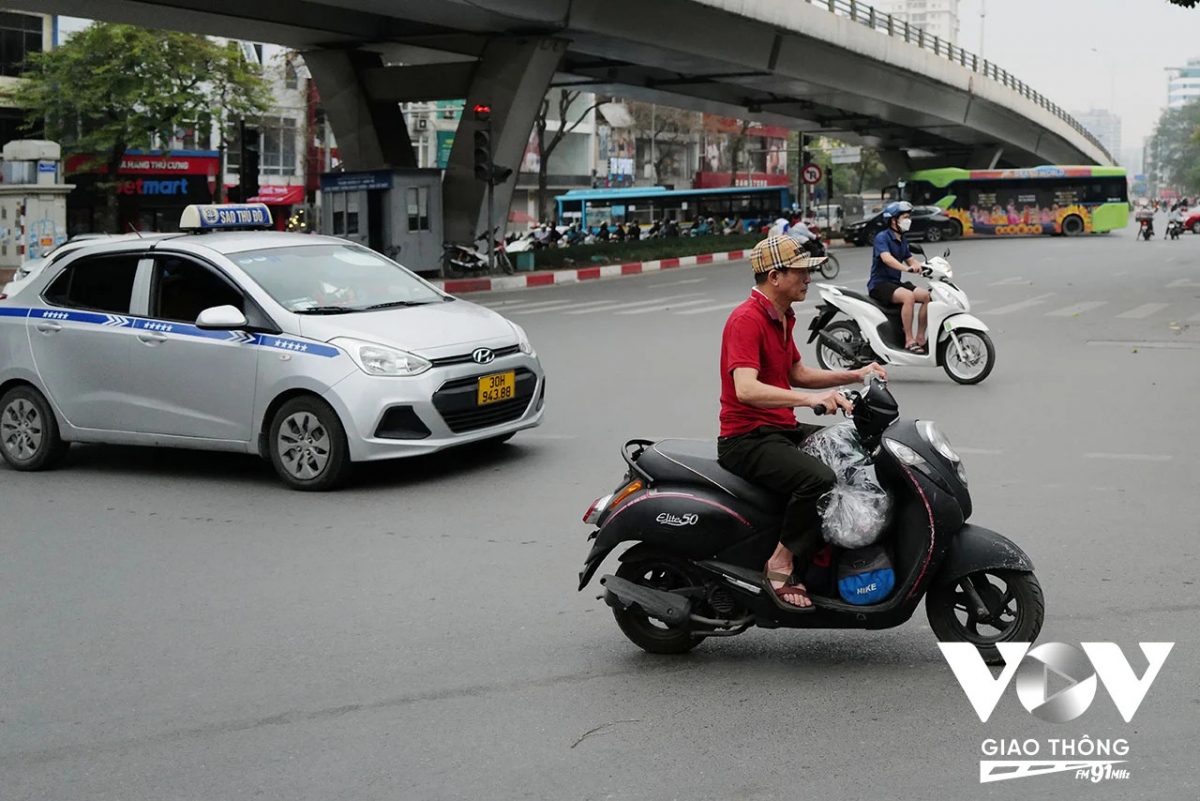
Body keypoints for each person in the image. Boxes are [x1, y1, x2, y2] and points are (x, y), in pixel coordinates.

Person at [718, 236, 886, 609]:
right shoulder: (747, 319)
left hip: (778, 428)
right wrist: (811, 401)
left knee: (849, 451)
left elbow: (797, 372)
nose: (809, 278)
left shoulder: (781, 317)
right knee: (818, 479)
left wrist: (856, 375)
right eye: (802, 272)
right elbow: (745, 388)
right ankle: (780, 562)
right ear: (775, 276)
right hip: (748, 438)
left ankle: (825, 556)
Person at [867, 201, 930, 354]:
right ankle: (909, 340)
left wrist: (924, 266)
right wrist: (906, 268)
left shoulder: (902, 239)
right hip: (879, 284)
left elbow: (910, 259)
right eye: (905, 217)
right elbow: (887, 258)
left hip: (895, 283)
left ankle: (920, 337)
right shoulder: (882, 237)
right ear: (893, 220)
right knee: (908, 297)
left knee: (927, 296)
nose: (908, 221)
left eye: (908, 217)